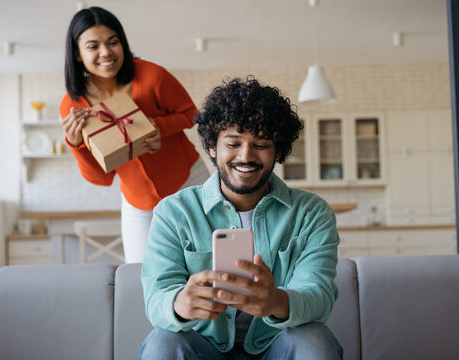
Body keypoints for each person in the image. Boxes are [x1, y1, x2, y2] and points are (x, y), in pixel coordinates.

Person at [140, 77, 342, 359]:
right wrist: (179, 304)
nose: (245, 156)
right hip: (203, 346)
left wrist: (276, 301)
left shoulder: (311, 213)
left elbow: (318, 293)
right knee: (163, 342)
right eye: (233, 143)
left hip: (277, 345)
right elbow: (157, 296)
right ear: (213, 147)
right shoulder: (174, 212)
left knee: (314, 339)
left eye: (260, 144)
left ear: (278, 151)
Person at [59, 7, 209, 263]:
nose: (106, 52)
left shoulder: (152, 77)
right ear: (77, 54)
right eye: (93, 46)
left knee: (209, 259)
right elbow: (103, 179)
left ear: (123, 43)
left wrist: (157, 127)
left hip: (189, 181)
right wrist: (76, 145)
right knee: (140, 273)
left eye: (113, 42)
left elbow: (190, 114)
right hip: (138, 202)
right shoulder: (73, 107)